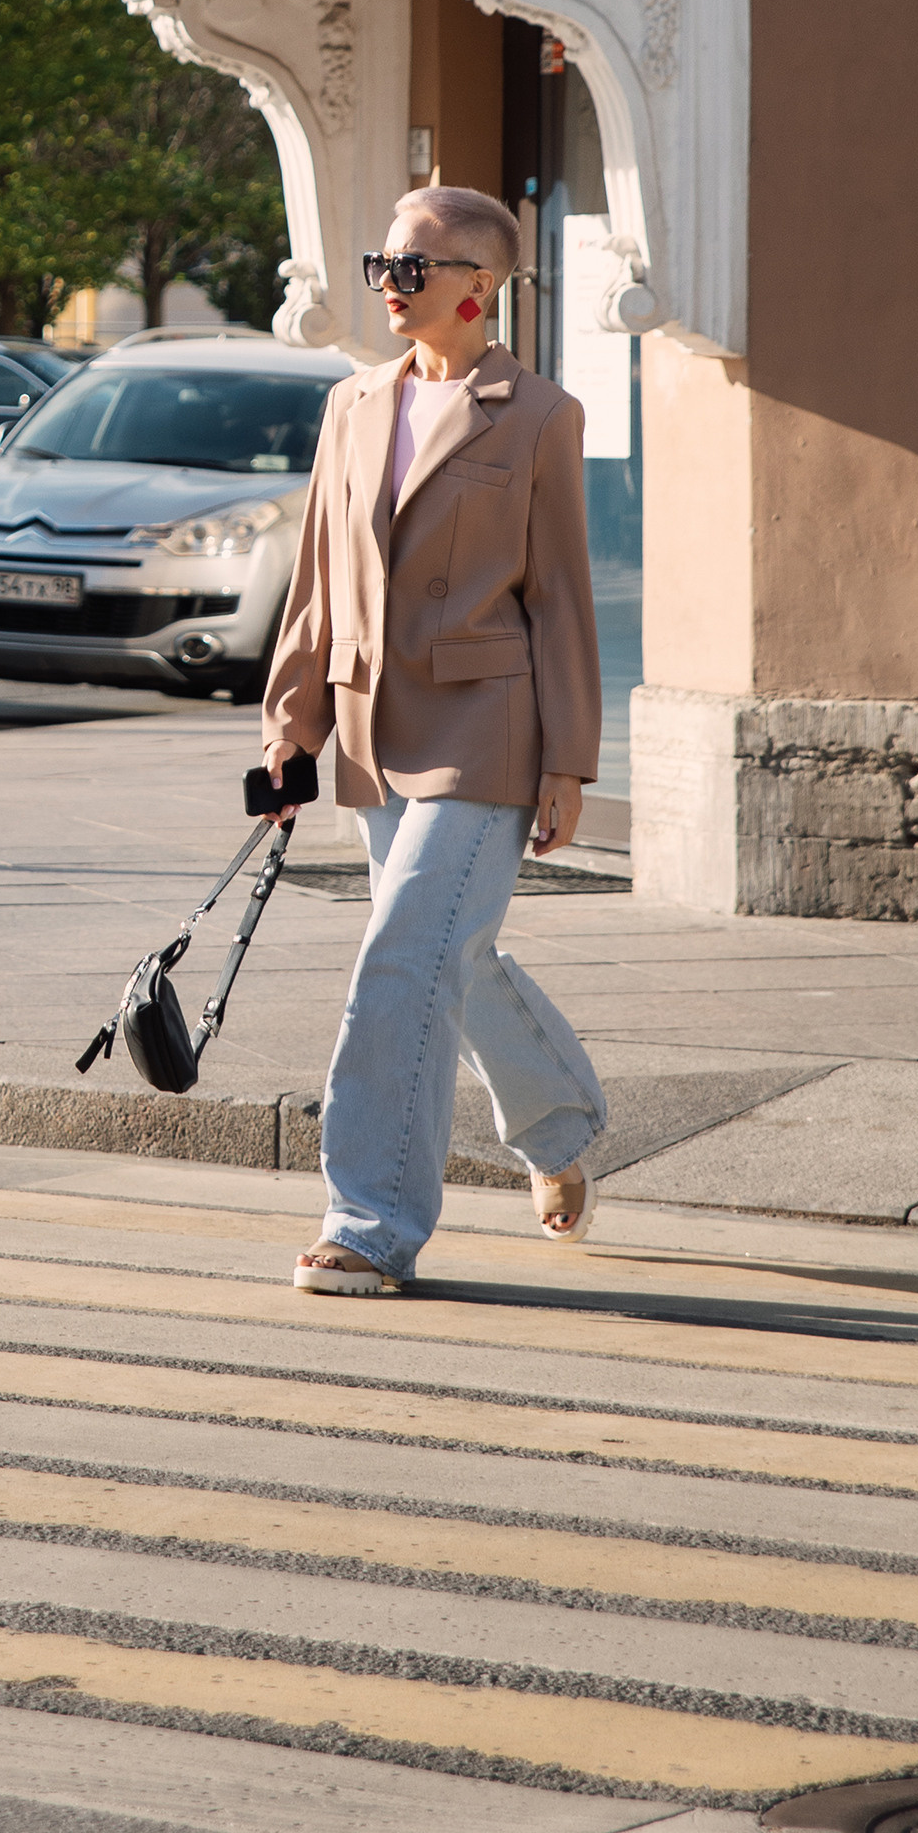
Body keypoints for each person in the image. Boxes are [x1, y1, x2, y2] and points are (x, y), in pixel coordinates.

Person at [260, 185, 608, 1295]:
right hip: (372, 724)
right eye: (381, 266)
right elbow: (318, 579)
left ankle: (368, 1223)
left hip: (485, 724)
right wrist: (290, 726)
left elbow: (559, 598)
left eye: (410, 268)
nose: (388, 286)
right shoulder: (352, 403)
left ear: (476, 286)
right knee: (450, 953)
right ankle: (560, 1128)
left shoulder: (540, 415)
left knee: (403, 957)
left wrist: (568, 762)